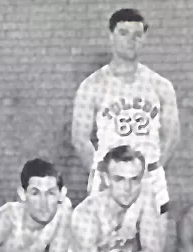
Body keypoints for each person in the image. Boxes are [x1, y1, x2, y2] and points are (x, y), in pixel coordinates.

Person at [72, 7, 180, 208]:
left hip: (150, 180)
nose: (132, 40)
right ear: (111, 36)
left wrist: (152, 170)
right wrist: (103, 173)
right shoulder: (92, 85)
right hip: (109, 180)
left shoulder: (161, 86)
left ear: (144, 39)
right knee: (105, 238)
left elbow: (172, 136)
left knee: (154, 238)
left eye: (138, 35)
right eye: (124, 33)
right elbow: (80, 138)